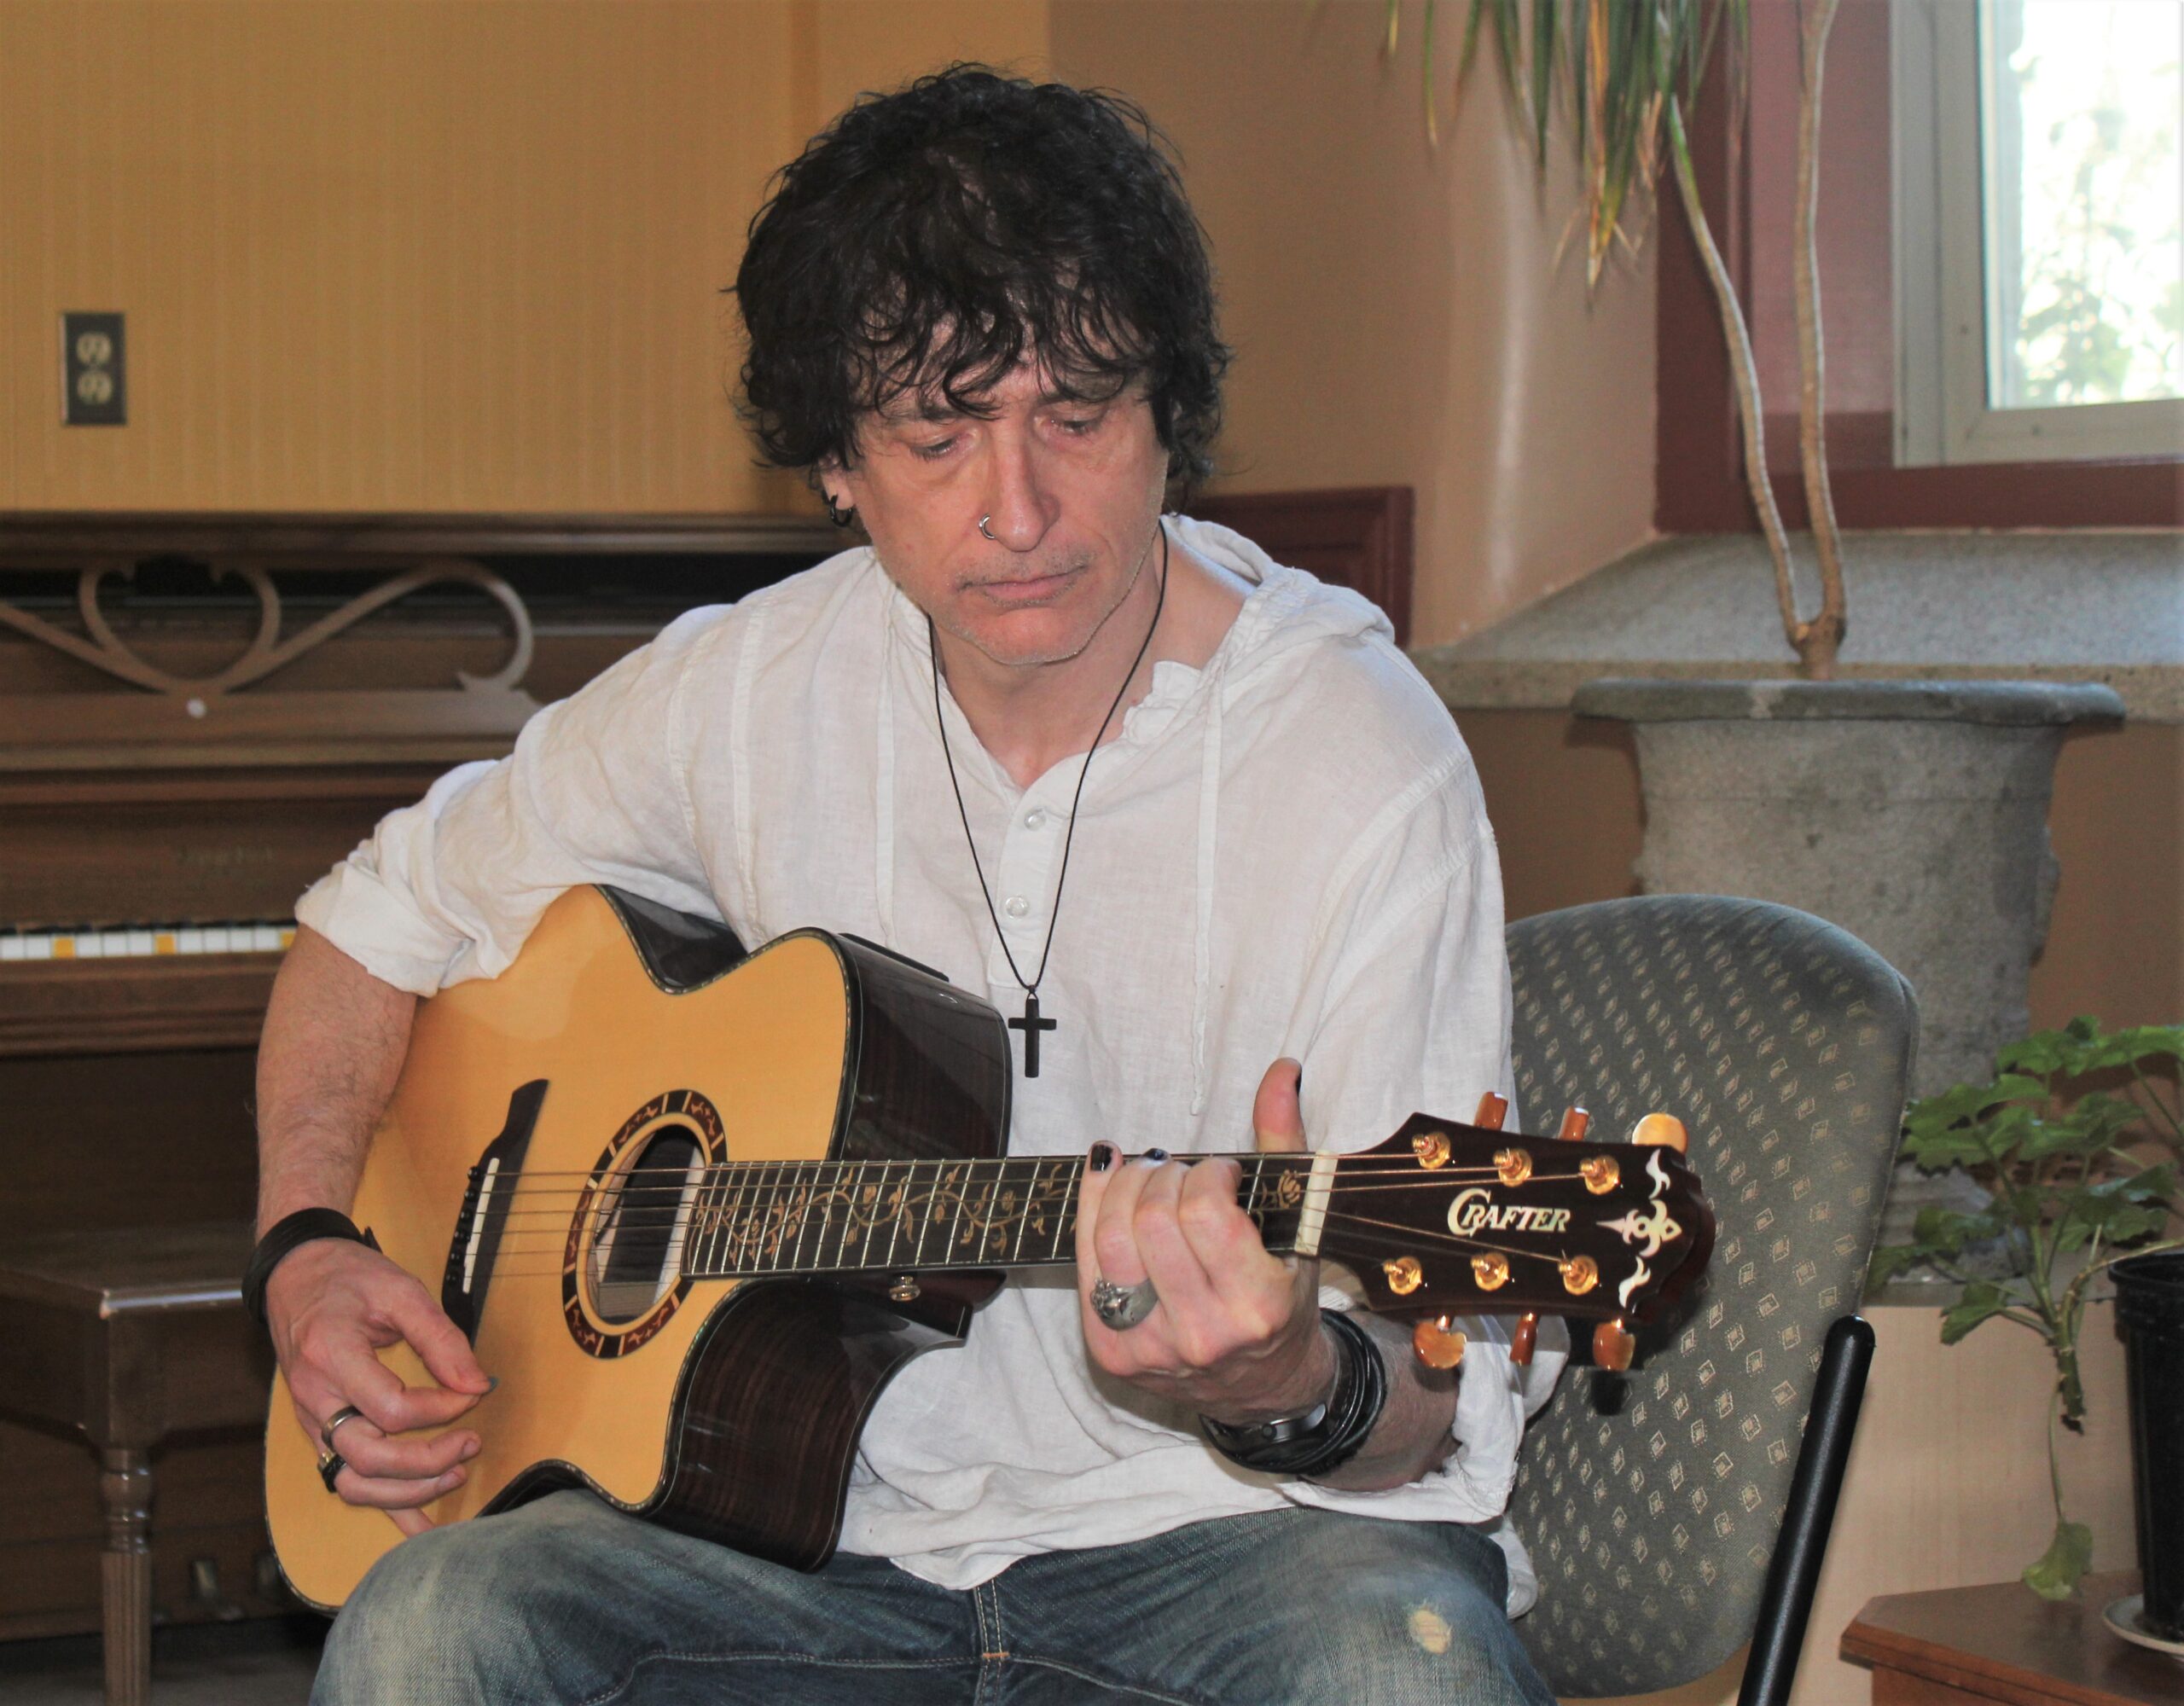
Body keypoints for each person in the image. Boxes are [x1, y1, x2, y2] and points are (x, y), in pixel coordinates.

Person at [257, 67, 1565, 1704]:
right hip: (794, 1553)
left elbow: (1436, 1394)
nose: (1015, 512)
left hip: (1233, 1547)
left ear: (1173, 418)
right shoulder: (747, 691)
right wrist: (308, 1249)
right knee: (429, 1629)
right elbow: (369, 928)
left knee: (1408, 1660)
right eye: (935, 436)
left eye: (1074, 421)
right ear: (834, 465)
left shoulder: (1360, 762)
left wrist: (1286, 1376)